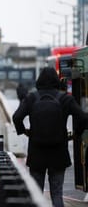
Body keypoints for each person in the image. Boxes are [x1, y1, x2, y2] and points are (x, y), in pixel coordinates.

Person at [12, 67, 88, 207]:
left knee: (35, 194)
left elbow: (17, 117)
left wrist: (25, 131)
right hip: (59, 154)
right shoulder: (65, 98)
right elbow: (83, 118)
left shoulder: (31, 98)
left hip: (37, 154)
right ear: (56, 81)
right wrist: (75, 134)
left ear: (39, 80)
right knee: (57, 194)